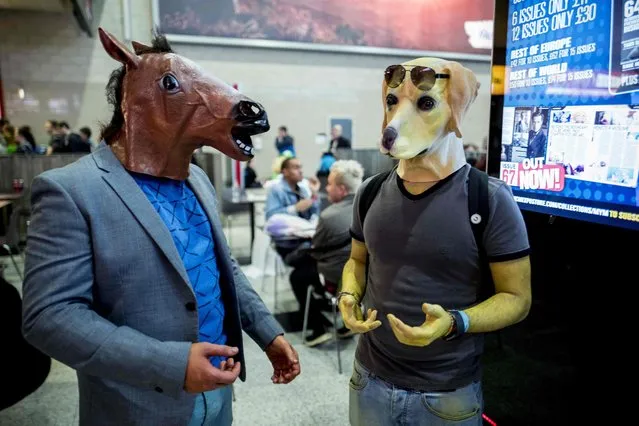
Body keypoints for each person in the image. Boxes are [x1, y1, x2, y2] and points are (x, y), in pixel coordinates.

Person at [21, 28, 299, 426]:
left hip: (218, 392)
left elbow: (222, 268)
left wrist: (268, 333)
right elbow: (49, 316)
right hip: (137, 406)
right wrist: (171, 364)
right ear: (137, 96)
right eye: (171, 85)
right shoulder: (70, 191)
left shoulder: (196, 180)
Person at [340, 58, 531, 426]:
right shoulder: (370, 193)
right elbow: (358, 261)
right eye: (393, 102)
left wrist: (455, 322)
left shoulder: (488, 199)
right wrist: (348, 295)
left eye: (425, 103)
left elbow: (517, 299)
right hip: (369, 379)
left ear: (455, 109)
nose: (395, 121)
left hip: (446, 394)